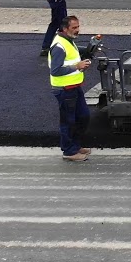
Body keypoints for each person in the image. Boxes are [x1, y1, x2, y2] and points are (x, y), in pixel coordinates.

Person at [48, 15, 92, 162]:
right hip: (64, 89)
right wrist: (77, 66)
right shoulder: (59, 46)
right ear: (65, 29)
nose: (77, 30)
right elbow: (55, 70)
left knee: (83, 116)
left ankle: (75, 146)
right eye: (74, 27)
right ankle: (69, 151)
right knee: (68, 121)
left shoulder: (68, 40)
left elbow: (71, 59)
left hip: (74, 87)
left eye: (78, 26)